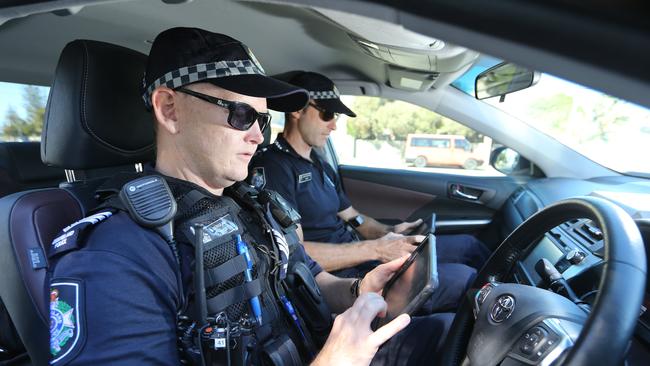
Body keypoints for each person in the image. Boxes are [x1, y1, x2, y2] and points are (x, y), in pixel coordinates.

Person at [48, 27, 452, 366]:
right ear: (169, 108)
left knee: (456, 331)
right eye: (241, 115)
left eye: (262, 119)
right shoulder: (115, 255)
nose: (258, 135)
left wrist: (358, 290)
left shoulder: (252, 204)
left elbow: (310, 278)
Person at [249, 71, 490, 312]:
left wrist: (389, 232)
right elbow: (294, 253)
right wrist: (376, 249)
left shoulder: (318, 162)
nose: (334, 125)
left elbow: (354, 218)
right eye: (327, 114)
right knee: (463, 280)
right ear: (296, 110)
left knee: (469, 246)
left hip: (364, 254)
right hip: (342, 277)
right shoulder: (274, 168)